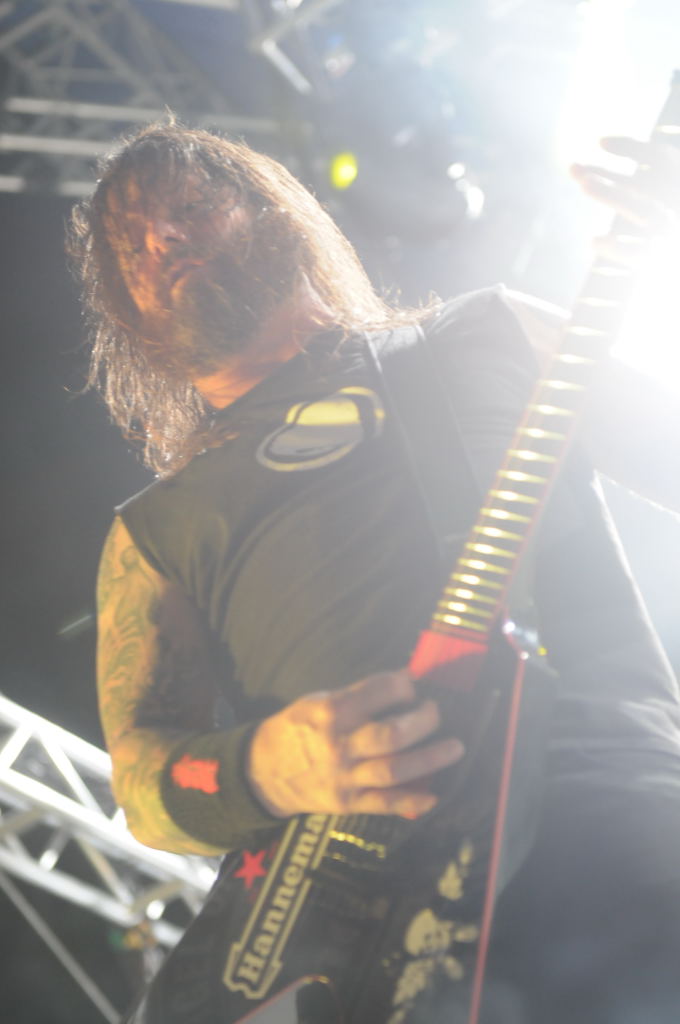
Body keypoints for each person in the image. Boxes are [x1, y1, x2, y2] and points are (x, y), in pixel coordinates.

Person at [68, 118, 680, 1023]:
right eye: (132, 243)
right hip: (337, 933)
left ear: (274, 213)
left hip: (596, 819)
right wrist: (271, 768)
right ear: (127, 311)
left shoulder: (492, 333)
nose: (162, 238)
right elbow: (144, 788)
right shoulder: (152, 531)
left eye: (191, 206)